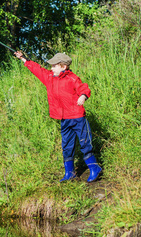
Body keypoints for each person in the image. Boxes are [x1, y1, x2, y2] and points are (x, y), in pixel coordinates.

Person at [14, 51, 102, 183]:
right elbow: (37, 69)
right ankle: (69, 173)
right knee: (67, 145)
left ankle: (94, 168)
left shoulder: (72, 78)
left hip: (77, 117)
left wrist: (83, 96)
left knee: (85, 143)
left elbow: (83, 88)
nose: (51, 68)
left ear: (63, 66)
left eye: (54, 65)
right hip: (64, 119)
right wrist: (23, 59)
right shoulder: (49, 77)